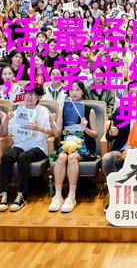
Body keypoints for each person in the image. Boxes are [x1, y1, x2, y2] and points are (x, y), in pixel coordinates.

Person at [0, 85, 54, 212]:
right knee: (6, 157)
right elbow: (4, 133)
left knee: (24, 157)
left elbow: (53, 133)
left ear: (39, 97)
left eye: (33, 94)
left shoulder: (44, 111)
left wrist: (39, 128)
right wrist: (7, 119)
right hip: (20, 144)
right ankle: (4, 193)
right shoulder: (18, 111)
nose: (29, 97)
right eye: (27, 93)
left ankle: (22, 194)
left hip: (38, 146)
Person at [48, 81, 98, 213]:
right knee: (62, 157)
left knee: (72, 158)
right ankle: (58, 196)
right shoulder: (63, 109)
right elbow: (57, 133)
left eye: (77, 90)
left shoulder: (89, 110)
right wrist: (51, 123)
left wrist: (85, 128)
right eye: (71, 90)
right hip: (67, 143)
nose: (74, 92)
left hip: (84, 146)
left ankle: (71, 196)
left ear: (83, 92)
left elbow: (95, 134)